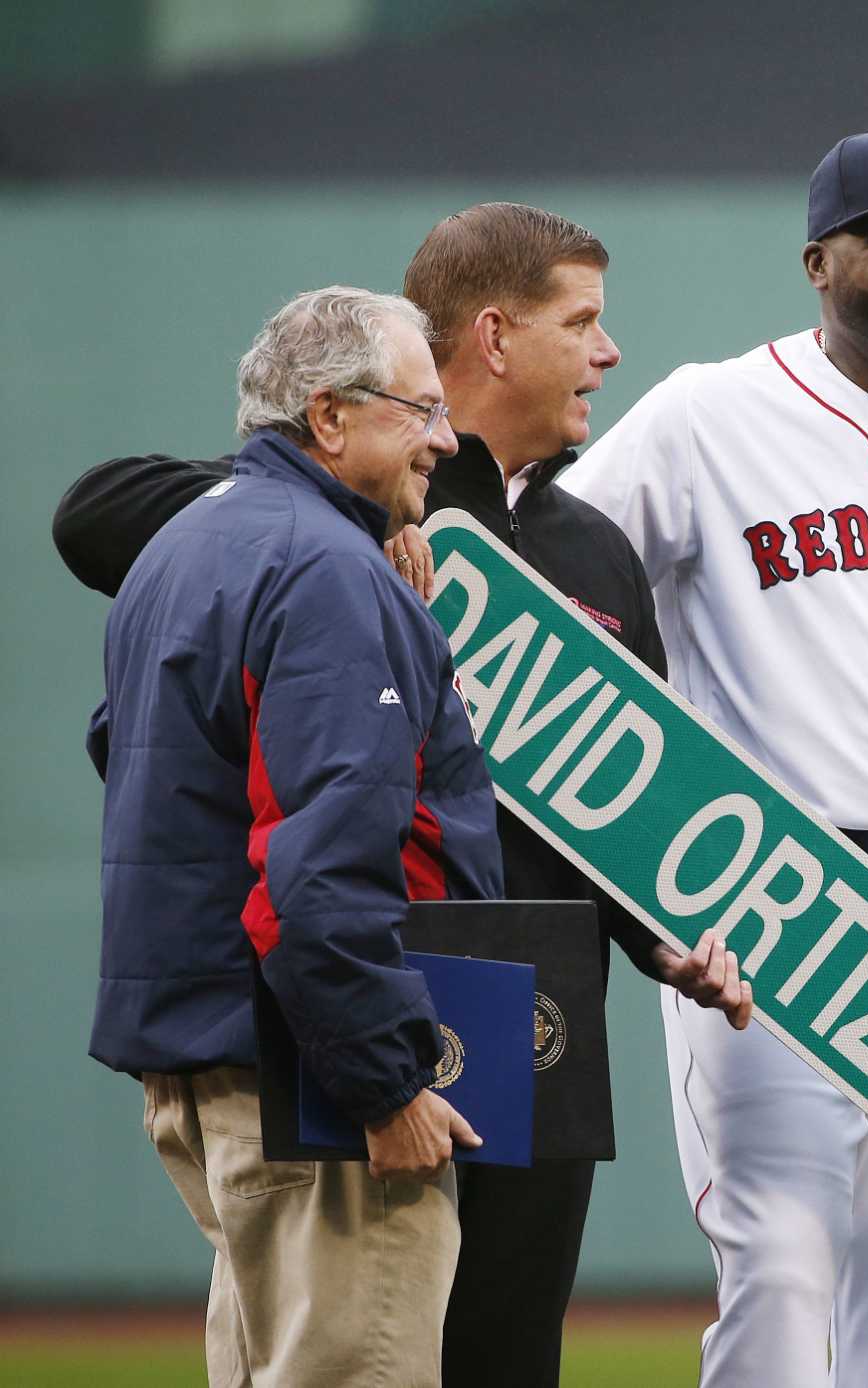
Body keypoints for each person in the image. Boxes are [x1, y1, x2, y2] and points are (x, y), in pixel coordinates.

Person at [54, 203, 753, 1388]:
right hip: (365, 1011)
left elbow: (626, 798)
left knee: (485, 1350)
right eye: (581, 319)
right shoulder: (315, 537)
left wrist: (666, 938)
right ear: (489, 335)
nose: (606, 350)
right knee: (363, 1344)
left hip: (519, 1012)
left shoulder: (589, 547)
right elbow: (93, 512)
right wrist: (324, 510)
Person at [558, 127, 868, 1387]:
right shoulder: (706, 414)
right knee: (781, 1275)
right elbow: (553, 570)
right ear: (817, 259)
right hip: (773, 892)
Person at [91, 287, 499, 1386]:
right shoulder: (323, 569)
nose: (446, 438)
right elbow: (316, 867)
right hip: (308, 1079)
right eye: (419, 410)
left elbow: (135, 761)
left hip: (212, 1058)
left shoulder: (185, 544)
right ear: (329, 416)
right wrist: (381, 1079)